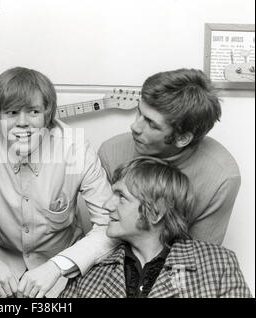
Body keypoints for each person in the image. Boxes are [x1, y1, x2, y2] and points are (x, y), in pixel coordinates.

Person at [0, 67, 114, 298]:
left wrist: (58, 266)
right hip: (0, 269)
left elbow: (110, 226)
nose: (23, 123)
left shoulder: (75, 146)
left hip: (63, 271)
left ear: (47, 114)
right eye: (11, 112)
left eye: (33, 111)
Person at [60, 157, 252, 298]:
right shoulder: (91, 267)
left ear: (156, 212)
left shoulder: (218, 264)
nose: (107, 205)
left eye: (122, 197)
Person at [98, 68, 240, 244]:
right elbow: (102, 235)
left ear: (182, 138)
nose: (135, 126)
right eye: (139, 112)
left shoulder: (222, 178)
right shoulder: (111, 152)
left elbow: (200, 257)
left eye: (151, 124)